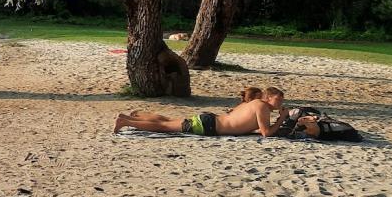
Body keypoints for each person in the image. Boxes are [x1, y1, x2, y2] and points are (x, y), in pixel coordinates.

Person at [114, 87, 286, 137]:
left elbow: (245, 124)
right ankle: (126, 122)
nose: (280, 103)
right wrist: (282, 118)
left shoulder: (254, 103)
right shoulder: (262, 107)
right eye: (278, 99)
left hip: (210, 121)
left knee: (168, 120)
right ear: (268, 97)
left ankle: (129, 117)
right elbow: (266, 133)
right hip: (208, 126)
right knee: (165, 126)